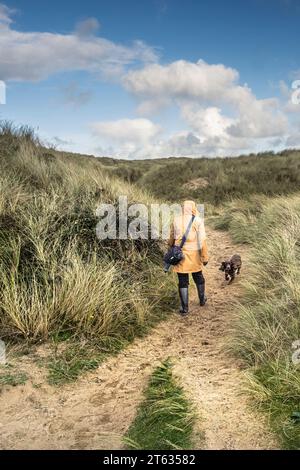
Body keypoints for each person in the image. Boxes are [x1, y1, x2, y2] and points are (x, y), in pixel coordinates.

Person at [168, 200, 208, 316]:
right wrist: (205, 257)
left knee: (182, 281)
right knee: (198, 277)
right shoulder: (198, 221)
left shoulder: (176, 220)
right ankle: (202, 299)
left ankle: (184, 308)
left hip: (180, 256)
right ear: (193, 208)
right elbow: (203, 241)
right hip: (194, 255)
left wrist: (171, 247)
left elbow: (171, 239)